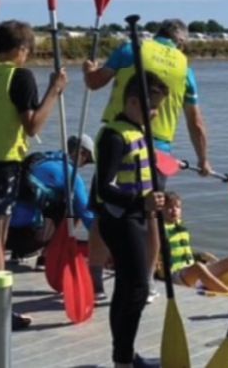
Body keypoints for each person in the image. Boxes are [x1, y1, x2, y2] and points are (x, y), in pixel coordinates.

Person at [83, 18, 213, 301]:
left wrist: (88, 70)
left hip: (117, 139)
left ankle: (95, 282)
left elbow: (94, 84)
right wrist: (203, 160)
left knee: (104, 211)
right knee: (151, 214)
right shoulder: (185, 68)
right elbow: (196, 123)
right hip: (159, 150)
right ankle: (147, 282)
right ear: (181, 42)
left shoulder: (131, 48)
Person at [0, 20, 67, 324]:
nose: (27, 57)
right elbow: (32, 126)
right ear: (21, 49)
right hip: (2, 163)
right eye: (28, 52)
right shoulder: (20, 77)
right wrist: (53, 91)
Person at [92, 71, 170, 368]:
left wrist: (160, 196)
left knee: (127, 287)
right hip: (120, 219)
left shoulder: (138, 130)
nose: (156, 114)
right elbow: (103, 188)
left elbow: (146, 177)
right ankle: (123, 358)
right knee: (137, 289)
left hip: (135, 217)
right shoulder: (115, 135)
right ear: (134, 102)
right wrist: (140, 201)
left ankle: (123, 355)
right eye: (153, 108)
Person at [6, 134, 106, 301]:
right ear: (80, 152)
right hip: (29, 238)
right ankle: (45, 258)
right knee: (72, 206)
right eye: (86, 159)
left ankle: (16, 254)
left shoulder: (41, 160)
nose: (84, 165)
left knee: (42, 200)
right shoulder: (70, 174)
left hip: (5, 237)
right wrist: (104, 243)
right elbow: (88, 217)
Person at [160, 191, 228, 295]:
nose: (174, 210)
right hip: (175, 277)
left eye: (177, 207)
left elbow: (181, 252)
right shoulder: (158, 229)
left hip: (189, 272)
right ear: (161, 210)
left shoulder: (179, 226)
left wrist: (200, 256)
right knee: (198, 267)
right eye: (169, 207)